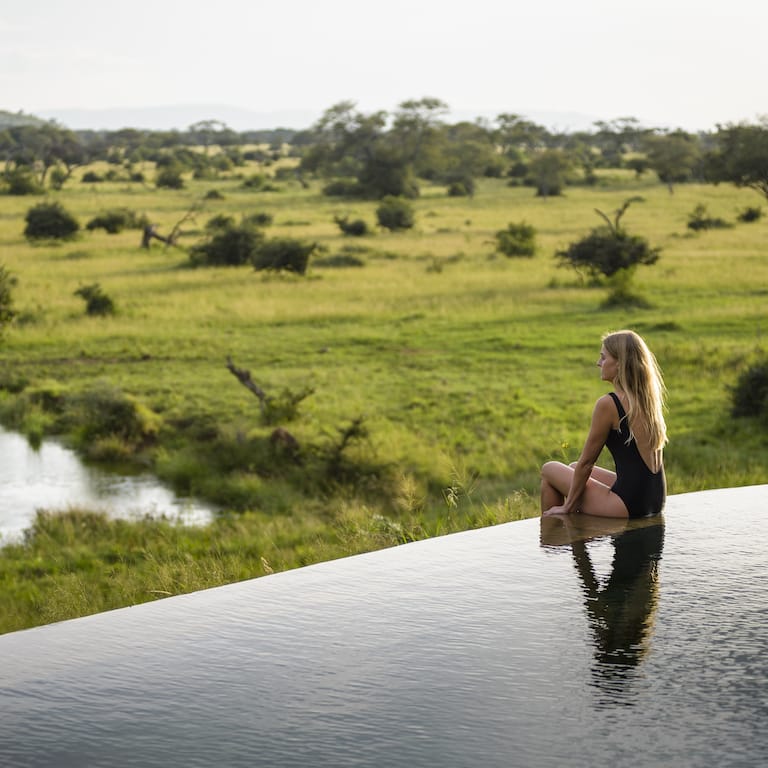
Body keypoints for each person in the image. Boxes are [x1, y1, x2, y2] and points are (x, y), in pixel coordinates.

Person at [541, 330, 667, 518]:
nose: (598, 363)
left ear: (619, 364)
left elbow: (587, 463)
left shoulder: (609, 404)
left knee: (549, 469)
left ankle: (555, 531)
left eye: (603, 357)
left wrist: (567, 506)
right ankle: (568, 527)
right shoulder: (647, 399)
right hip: (655, 499)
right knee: (572, 467)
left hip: (628, 505)